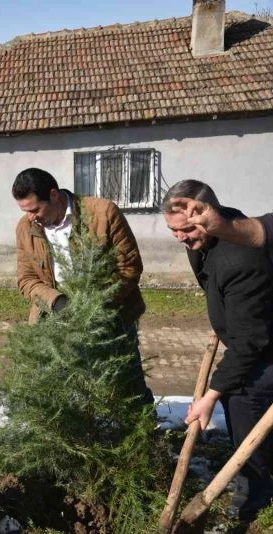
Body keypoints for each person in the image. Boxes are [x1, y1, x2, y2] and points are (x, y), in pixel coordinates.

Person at [162, 180, 273, 521]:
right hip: (252, 330)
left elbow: (248, 344)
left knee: (242, 397)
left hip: (263, 342)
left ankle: (256, 488)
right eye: (173, 231)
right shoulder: (203, 237)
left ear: (207, 215)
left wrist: (210, 395)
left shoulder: (240, 259)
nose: (179, 238)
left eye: (184, 231)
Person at [12, 167, 153, 402]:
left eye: (35, 209)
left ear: (54, 195)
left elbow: (128, 267)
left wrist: (92, 306)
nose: (31, 217)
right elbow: (26, 279)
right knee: (59, 385)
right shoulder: (26, 228)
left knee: (125, 381)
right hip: (55, 316)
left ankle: (143, 432)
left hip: (111, 315)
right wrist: (56, 301)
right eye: (25, 211)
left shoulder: (102, 213)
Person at [165, 196, 273, 248]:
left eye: (188, 229)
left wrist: (224, 227)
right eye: (173, 229)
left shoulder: (237, 265)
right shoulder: (197, 243)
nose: (180, 238)